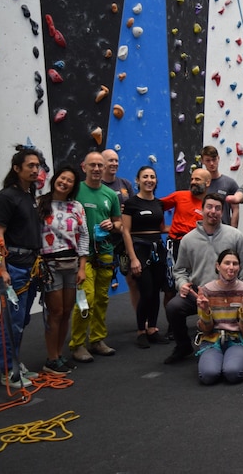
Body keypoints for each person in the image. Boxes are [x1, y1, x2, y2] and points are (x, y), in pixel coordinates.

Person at [164, 194, 243, 364]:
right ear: (202, 210)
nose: (213, 211)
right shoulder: (188, 239)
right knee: (173, 307)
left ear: (222, 211)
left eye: (218, 208)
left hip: (229, 292)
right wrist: (181, 284)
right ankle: (183, 346)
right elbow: (180, 270)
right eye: (209, 207)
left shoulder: (235, 236)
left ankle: (238, 342)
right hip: (199, 294)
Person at [0, 146, 45, 387]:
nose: (35, 170)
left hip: (30, 264)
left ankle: (14, 363)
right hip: (14, 268)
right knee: (11, 321)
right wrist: (1, 270)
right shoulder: (5, 198)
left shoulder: (29, 195)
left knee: (21, 319)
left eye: (37, 166)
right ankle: (8, 371)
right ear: (16, 168)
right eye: (30, 166)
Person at [69, 151, 122, 363]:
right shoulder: (76, 190)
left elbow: (119, 223)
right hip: (81, 255)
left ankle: (98, 340)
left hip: (105, 253)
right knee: (86, 299)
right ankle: (77, 344)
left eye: (101, 165)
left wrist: (113, 225)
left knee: (102, 299)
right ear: (84, 167)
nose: (98, 169)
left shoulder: (110, 194)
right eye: (93, 165)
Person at [38, 165, 89, 375]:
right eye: (62, 178)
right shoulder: (40, 203)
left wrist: (82, 267)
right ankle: (51, 359)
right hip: (50, 265)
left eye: (69, 180)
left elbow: (84, 236)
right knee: (55, 312)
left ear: (73, 186)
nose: (65, 182)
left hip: (72, 263)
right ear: (55, 179)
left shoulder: (76, 206)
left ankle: (59, 355)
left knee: (67, 311)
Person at [122, 166, 170, 348]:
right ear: (138, 180)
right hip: (140, 250)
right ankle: (141, 330)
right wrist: (133, 258)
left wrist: (187, 228)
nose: (149, 180)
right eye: (145, 177)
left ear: (156, 181)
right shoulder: (131, 203)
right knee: (146, 291)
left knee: (156, 291)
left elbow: (162, 228)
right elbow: (126, 232)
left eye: (152, 177)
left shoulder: (159, 204)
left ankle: (153, 328)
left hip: (158, 249)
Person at [194, 250, 243, 385]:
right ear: (218, 266)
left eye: (235, 264)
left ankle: (232, 360)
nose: (231, 267)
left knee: (233, 374)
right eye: (227, 263)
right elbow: (206, 330)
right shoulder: (206, 291)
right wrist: (205, 311)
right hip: (212, 339)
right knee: (208, 376)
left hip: (237, 339)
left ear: (239, 267)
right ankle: (217, 360)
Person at [101, 149, 136, 307]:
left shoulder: (125, 184)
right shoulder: (97, 186)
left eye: (116, 160)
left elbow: (134, 207)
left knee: (132, 280)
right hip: (104, 241)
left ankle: (141, 322)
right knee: (100, 285)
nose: (114, 163)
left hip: (124, 239)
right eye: (110, 160)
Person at [161, 168, 212, 259]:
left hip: (199, 246)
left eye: (197, 179)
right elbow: (158, 206)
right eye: (192, 179)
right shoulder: (179, 196)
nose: (193, 182)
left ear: (207, 183)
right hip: (177, 243)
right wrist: (163, 227)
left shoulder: (210, 204)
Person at [201, 145, 240, 227]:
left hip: (224, 229)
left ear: (218, 158)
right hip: (203, 230)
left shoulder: (230, 183)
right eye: (208, 160)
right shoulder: (199, 184)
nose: (211, 163)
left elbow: (235, 209)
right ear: (202, 161)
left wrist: (233, 232)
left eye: (214, 159)